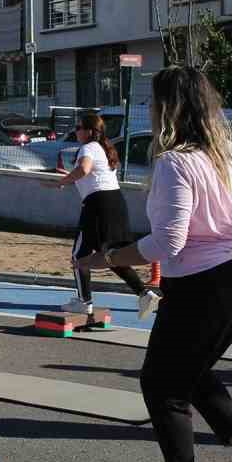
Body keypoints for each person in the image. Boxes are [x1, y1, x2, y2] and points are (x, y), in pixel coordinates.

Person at [93, 67, 232, 462]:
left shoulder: (176, 162)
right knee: (190, 371)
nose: (149, 109)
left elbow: (168, 242)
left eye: (153, 102)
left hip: (203, 286)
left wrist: (110, 258)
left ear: (166, 109)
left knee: (161, 385)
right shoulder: (231, 155)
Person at [50, 110, 160, 320]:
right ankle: (145, 294)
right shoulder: (104, 148)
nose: (76, 131)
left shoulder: (88, 147)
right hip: (115, 202)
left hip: (97, 205)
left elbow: (84, 169)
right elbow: (91, 175)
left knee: (79, 255)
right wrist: (70, 177)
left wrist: (62, 182)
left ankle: (84, 302)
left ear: (90, 131)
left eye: (79, 128)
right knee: (111, 254)